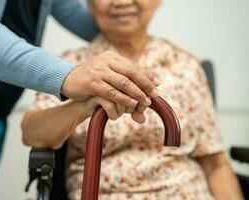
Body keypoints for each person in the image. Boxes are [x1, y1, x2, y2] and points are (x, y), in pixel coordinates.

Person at [22, 0, 244, 199]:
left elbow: (215, 165)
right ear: (89, 5)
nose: (122, 2)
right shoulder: (71, 67)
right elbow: (32, 134)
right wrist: (83, 106)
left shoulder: (186, 66)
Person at [0, 0, 160, 199]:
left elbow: (84, 15)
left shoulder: (183, 65)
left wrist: (134, 38)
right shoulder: (75, 60)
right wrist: (69, 75)